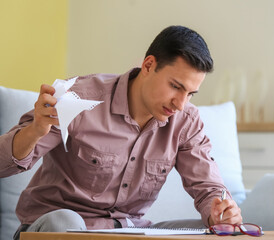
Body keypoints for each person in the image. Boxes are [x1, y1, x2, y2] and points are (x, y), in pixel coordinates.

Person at [0, 25, 242, 240]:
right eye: (175, 86)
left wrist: (220, 215)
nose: (180, 103)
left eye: (190, 93)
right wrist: (35, 130)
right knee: (65, 222)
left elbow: (208, 189)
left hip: (129, 232)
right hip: (56, 229)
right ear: (148, 65)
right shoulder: (78, 99)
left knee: (215, 234)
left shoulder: (185, 121)